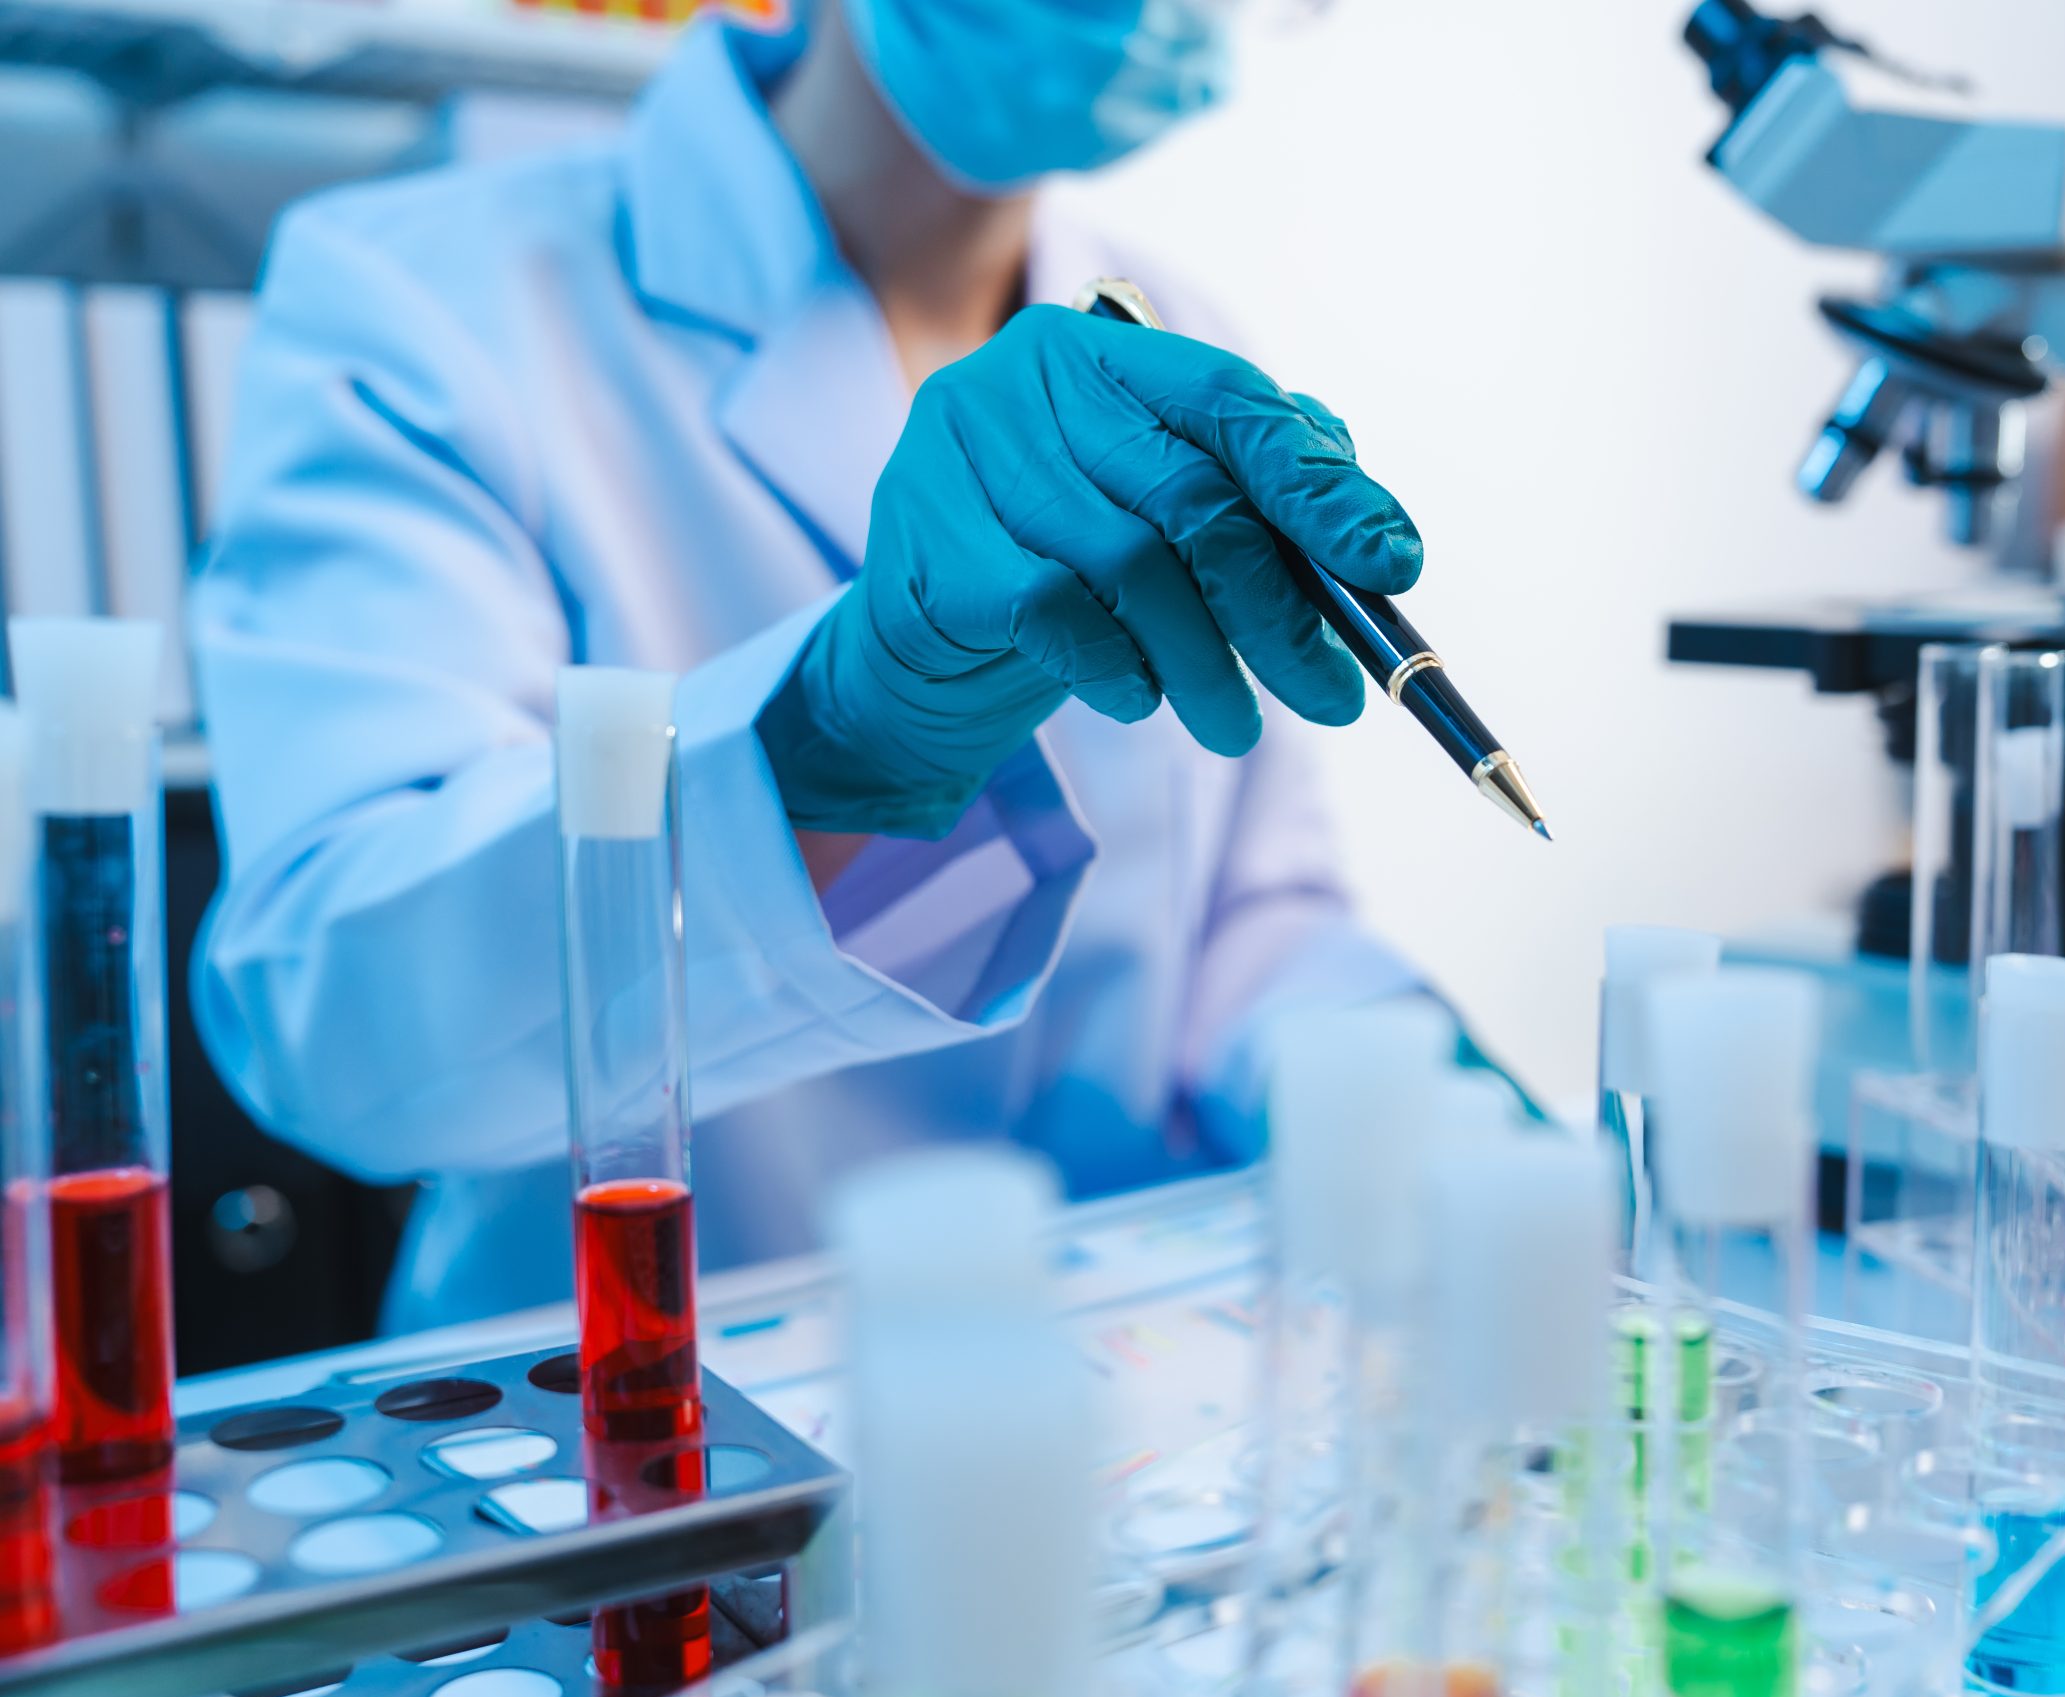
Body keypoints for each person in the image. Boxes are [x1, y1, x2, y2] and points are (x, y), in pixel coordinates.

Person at [191, 0, 1450, 1331]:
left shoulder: (1168, 330)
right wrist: (835, 748)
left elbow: (1244, 923)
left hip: (1117, 1405)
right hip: (663, 1422)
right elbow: (340, 1020)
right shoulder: (435, 302)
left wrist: (1435, 1107)